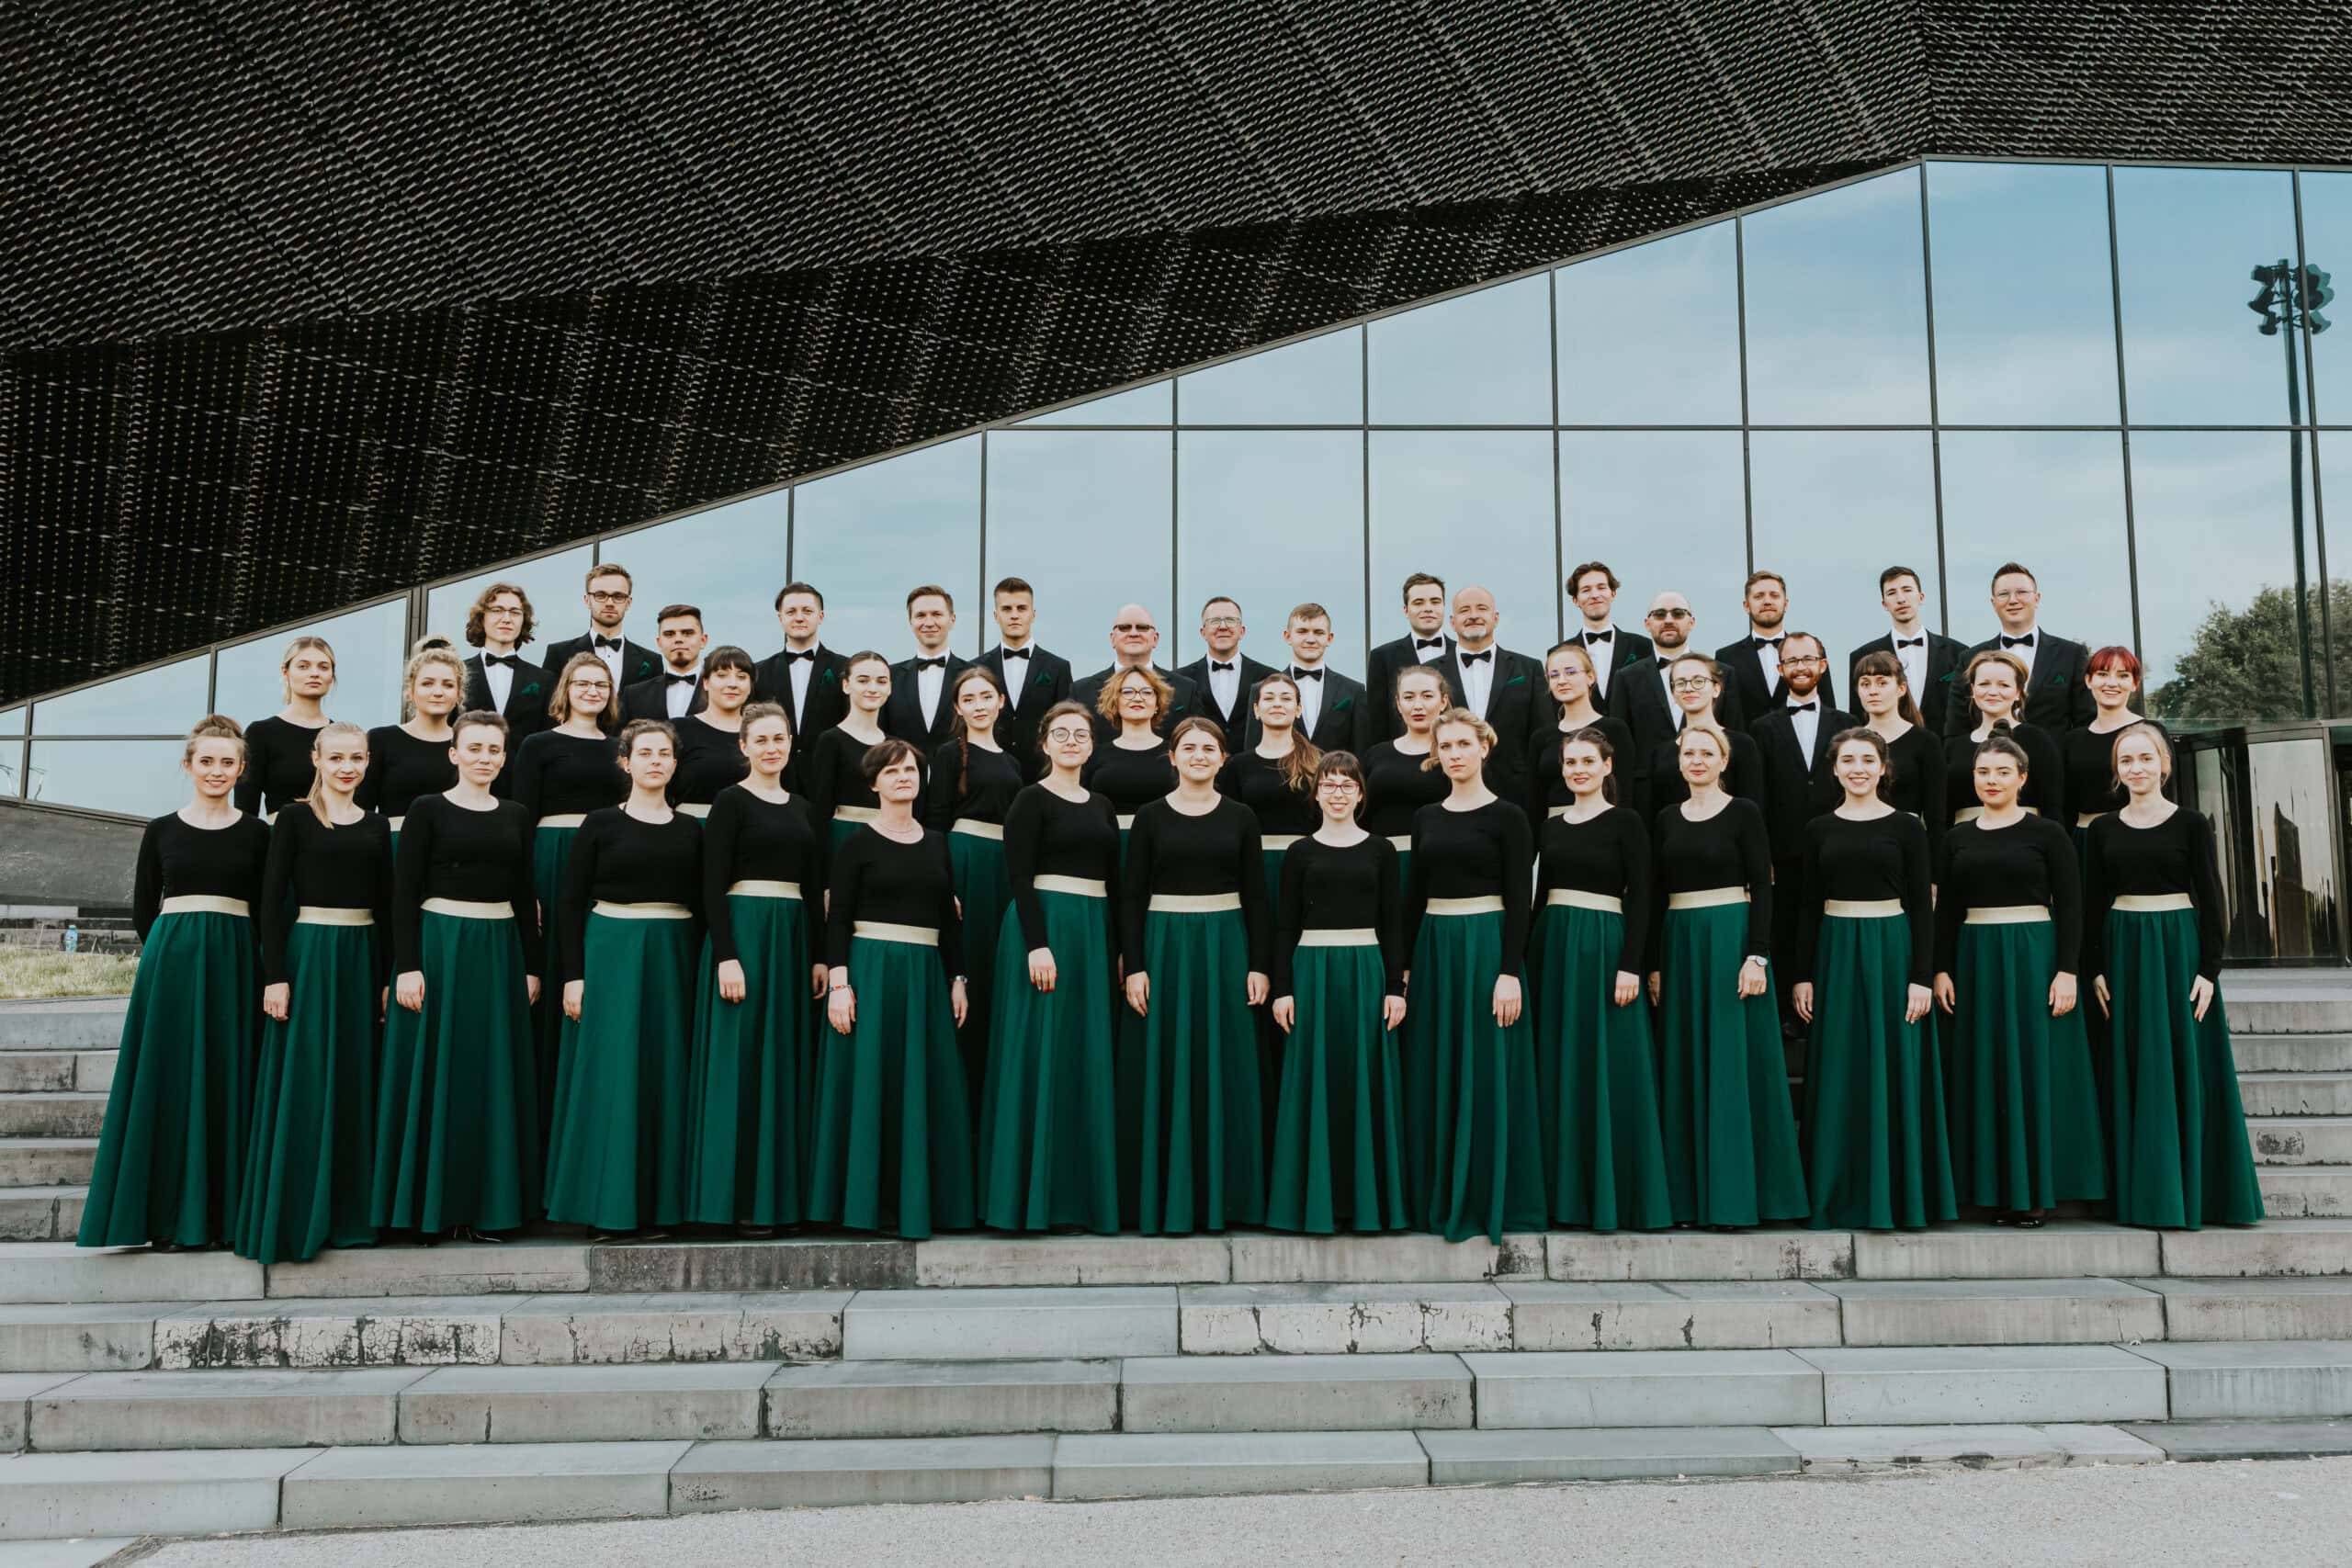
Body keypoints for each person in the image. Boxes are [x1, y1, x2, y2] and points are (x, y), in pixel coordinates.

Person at [79, 716, 272, 1250]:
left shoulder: (259, 833)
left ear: (241, 770)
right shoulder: (161, 828)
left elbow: (267, 907)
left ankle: (222, 1217)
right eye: (206, 761)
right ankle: (163, 1217)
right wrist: (171, 951)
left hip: (235, 960)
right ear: (188, 766)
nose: (216, 771)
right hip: (173, 961)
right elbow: (145, 907)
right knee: (169, 1077)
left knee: (227, 1076)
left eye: (227, 762)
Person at [2084, 724, 2263, 1229]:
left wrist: (2209, 969)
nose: (2136, 768)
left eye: (2145, 758)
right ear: (2116, 770)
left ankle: (2199, 1195)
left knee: (2187, 1065)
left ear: (2163, 763)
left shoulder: (2190, 823)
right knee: (2135, 1065)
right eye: (2126, 761)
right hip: (2124, 949)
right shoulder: (2102, 829)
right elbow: (2094, 901)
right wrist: (2094, 966)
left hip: (2179, 950)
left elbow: (2212, 897)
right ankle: (2141, 1196)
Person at [373, 711, 543, 1242]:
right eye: (474, 748)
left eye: (494, 749)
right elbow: (402, 892)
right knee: (432, 1075)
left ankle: (485, 1209)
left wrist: (533, 966)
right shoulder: (427, 810)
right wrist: (407, 966)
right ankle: (425, 1211)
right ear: (454, 754)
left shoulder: (516, 814)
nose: (485, 758)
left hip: (498, 954)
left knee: (486, 1077)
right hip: (439, 947)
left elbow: (523, 895)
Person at [1932, 734, 2107, 1224]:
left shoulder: (2049, 833)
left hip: (2035, 956)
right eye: (1984, 773)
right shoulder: (1956, 838)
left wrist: (2068, 970)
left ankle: (2035, 1192)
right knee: (1983, 1067)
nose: (1992, 781)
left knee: (2035, 1069)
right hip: (1975, 959)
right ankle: (1985, 1188)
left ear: (2022, 778)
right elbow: (1946, 910)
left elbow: (2073, 906)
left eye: (2002, 772)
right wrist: (1941, 967)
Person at [237, 721, 393, 1263]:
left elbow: (390, 909)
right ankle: (297, 1211)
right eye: (336, 758)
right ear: (317, 760)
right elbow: (271, 903)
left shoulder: (377, 827)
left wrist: (388, 976)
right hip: (308, 954)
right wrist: (274, 975)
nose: (346, 767)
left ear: (368, 761)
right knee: (305, 1080)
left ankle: (352, 1214)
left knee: (356, 1078)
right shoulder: (296, 819)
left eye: (356, 757)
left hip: (362, 955)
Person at [543, 719, 703, 1239]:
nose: (656, 761)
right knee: (611, 1075)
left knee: (664, 1073)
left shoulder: (690, 830)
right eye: (646, 753)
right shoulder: (600, 824)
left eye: (665, 753)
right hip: (610, 952)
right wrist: (574, 976)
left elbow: (703, 907)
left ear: (675, 765)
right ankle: (605, 1208)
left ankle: (661, 1207)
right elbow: (569, 901)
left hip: (672, 957)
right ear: (626, 762)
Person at [810, 738, 976, 1238]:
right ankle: (866, 1207)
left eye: (911, 770)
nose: (904, 777)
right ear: (874, 782)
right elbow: (837, 919)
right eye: (893, 771)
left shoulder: (936, 842)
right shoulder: (856, 843)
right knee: (872, 1087)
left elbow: (950, 922)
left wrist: (958, 979)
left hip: (924, 976)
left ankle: (921, 1204)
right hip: (871, 972)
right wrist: (840, 983)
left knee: (922, 1088)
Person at [1792, 729, 1954, 1232]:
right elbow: (1806, 909)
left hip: (1892, 948)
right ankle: (1838, 1195)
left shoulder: (1907, 828)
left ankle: (1898, 1197)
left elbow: (1925, 912)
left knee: (1894, 1071)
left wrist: (1921, 976)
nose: (1857, 768)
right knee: (1841, 1068)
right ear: (1834, 769)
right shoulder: (1818, 828)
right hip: (1836, 951)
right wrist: (1802, 976)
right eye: (1848, 760)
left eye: (1867, 759)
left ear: (1884, 768)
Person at [1647, 723, 1808, 1230]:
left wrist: (1757, 955)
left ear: (1723, 761)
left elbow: (1763, 884)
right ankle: (1690, 1200)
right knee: (1688, 1065)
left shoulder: (1744, 812)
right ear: (1679, 762)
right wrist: (1653, 961)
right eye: (1688, 753)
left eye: (1706, 753)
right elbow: (1654, 893)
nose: (1696, 760)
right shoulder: (1667, 818)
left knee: (1736, 1066)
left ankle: (1742, 1198)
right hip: (1681, 944)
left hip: (1732, 942)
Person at [1400, 708, 1546, 1242]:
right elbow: (1414, 896)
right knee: (1437, 1069)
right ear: (1436, 755)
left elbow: (1519, 897)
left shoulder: (1509, 816)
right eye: (1447, 746)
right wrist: (1405, 970)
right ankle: (1436, 1193)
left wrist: (1510, 971)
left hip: (1488, 948)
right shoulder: (1426, 817)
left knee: (1487, 1070)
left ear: (1485, 747)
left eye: (1465, 743)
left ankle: (1489, 1195)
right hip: (1437, 951)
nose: (1456, 754)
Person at [1121, 716, 1271, 1235]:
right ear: (1173, 757)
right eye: (1190, 747)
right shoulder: (1149, 817)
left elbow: (1256, 895)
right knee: (1165, 1065)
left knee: (1222, 1064)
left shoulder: (1242, 817)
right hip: (1165, 946)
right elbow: (1133, 896)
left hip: (1226, 945)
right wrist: (1135, 965)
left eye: (1210, 748)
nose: (1200, 755)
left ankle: (1227, 1199)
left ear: (1223, 759)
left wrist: (1259, 963)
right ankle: (1166, 1197)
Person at [978, 701, 1123, 1234]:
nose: (1070, 741)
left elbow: (1113, 879)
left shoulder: (1104, 805)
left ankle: (1081, 1198)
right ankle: (1027, 1199)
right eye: (1059, 733)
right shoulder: (1029, 800)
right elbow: (1018, 877)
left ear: (1091, 744)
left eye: (1080, 734)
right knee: (1039, 1054)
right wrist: (1037, 945)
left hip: (1092, 931)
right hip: (1042, 931)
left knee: (1084, 1056)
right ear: (1044, 743)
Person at [686, 702, 827, 1235]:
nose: (773, 748)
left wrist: (817, 955)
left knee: (783, 1067)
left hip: (790, 938)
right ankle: (727, 1202)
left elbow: (814, 889)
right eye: (762, 739)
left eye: (781, 739)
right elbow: (711, 884)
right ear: (743, 747)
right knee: (737, 1066)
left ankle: (776, 1202)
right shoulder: (730, 802)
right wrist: (725, 954)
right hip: (744, 933)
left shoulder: (805, 807)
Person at [1530, 728, 1673, 1233]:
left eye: (1588, 761)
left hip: (1606, 945)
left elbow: (1642, 897)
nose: (1578, 770)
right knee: (1560, 1063)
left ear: (1607, 766)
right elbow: (1538, 896)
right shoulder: (1549, 828)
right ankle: (1559, 1193)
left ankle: (1618, 1193)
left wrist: (1632, 964)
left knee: (1610, 1065)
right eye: (1570, 763)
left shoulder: (1628, 822)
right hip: (1555, 947)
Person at [1266, 751, 1409, 1235]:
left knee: (1363, 1081)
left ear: (1361, 795)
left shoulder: (1381, 850)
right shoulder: (1300, 853)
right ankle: (1312, 1205)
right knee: (1315, 1080)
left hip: (1366, 970)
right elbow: (1284, 925)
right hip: (1312, 971)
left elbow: (1393, 923)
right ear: (1317, 794)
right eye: (1329, 785)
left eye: (1347, 785)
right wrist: (1282, 989)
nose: (1338, 793)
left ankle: (1367, 1206)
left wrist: (1395, 987)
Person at [513, 653, 626, 1139]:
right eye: (583, 682)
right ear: (565, 689)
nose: (592, 690)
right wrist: (526, 888)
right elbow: (519, 821)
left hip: (608, 860)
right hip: (551, 857)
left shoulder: (624, 746)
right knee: (550, 971)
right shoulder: (538, 745)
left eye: (601, 683)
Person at [1748, 632, 1855, 1043]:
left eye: (1808, 659)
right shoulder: (1762, 728)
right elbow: (1757, 796)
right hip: (1784, 849)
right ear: (1780, 670)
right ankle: (1789, 1017)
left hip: (1838, 847)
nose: (1800, 667)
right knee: (1787, 928)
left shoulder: (1848, 724)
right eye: (1791, 661)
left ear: (1823, 666)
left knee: (1833, 928)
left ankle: (1832, 1008)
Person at [926, 665, 1022, 1084]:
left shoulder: (1017, 761)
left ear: (1001, 702)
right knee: (968, 960)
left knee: (999, 965)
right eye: (969, 699)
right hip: (965, 862)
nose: (979, 705)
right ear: (958, 708)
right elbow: (936, 821)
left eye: (986, 697)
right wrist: (944, 883)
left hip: (1005, 867)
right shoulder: (949, 754)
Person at [1610, 591, 1746, 792]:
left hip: (1714, 789)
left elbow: (1734, 735)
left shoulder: (1723, 673)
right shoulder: (1626, 677)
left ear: (1692, 621)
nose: (1669, 620)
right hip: (1649, 793)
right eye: (1660, 614)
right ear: (1647, 623)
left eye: (1678, 613)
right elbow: (1620, 747)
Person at [1940, 562, 2096, 737]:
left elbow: (2086, 721)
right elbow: (1956, 727)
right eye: (2004, 594)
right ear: (1993, 603)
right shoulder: (1969, 659)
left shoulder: (2072, 655)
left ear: (2037, 598)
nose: (2013, 600)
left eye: (2021, 592)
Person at [1221, 671, 1321, 906]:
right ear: (1256, 710)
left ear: (1298, 709)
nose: (1277, 703)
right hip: (1254, 864)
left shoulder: (1319, 762)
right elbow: (1229, 824)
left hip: (1307, 862)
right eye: (1269, 698)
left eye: (1286, 698)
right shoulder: (1237, 766)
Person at [1445, 584, 1544, 807]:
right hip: (1448, 790)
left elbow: (1542, 733)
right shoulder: (1431, 673)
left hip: (1517, 791)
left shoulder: (1529, 669)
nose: (1473, 616)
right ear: (1452, 622)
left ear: (1496, 617)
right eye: (1464, 610)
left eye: (1481, 608)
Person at [1942, 649, 2064, 824]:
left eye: (2003, 685)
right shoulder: (1954, 747)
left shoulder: (2038, 740)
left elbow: (2053, 808)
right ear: (1973, 690)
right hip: (1966, 845)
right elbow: (1945, 812)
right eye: (1984, 684)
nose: (1992, 692)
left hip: (2025, 840)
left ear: (2018, 692)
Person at [358, 639, 464, 841]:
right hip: (394, 846)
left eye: (448, 685)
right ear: (410, 691)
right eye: (427, 683)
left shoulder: (468, 744)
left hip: (453, 850)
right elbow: (362, 809)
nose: (438, 692)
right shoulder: (381, 740)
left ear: (459, 693)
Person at [2063, 647, 2174, 836]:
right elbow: (2066, 803)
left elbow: (2166, 791)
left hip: (2139, 834)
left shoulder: (2152, 732)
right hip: (2085, 838)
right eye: (2103, 674)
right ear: (2089, 681)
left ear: (2134, 683)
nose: (2112, 683)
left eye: (2123, 676)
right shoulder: (2072, 740)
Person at [1362, 664, 1452, 888]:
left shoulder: (1454, 756)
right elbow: (1361, 816)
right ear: (1398, 703)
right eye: (1409, 697)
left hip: (1440, 863)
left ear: (1443, 702)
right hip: (1382, 865)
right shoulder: (1375, 755)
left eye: (1427, 696)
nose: (1418, 705)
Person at [1848, 566, 1966, 734]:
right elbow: (1859, 717)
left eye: (1907, 590)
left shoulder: (1958, 653)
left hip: (1944, 751)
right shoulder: (1862, 656)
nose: (1901, 599)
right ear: (1884, 604)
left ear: (1921, 597)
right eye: (1891, 593)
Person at [752, 581, 852, 776]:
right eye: (791, 612)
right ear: (780, 618)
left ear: (820, 616)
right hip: (775, 778)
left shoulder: (845, 668)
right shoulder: (759, 672)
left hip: (829, 775)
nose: (799, 618)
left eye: (807, 611)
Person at [1529, 640, 1635, 823]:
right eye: (1554, 675)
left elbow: (1625, 791)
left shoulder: (1615, 730)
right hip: (1555, 833)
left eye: (1570, 672)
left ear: (1590, 676)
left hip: (1605, 826)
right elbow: (1535, 800)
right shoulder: (1541, 737)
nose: (1562, 680)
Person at [458, 581, 549, 794]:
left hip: (523, 791)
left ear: (523, 621)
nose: (506, 618)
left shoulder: (545, 680)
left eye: (515, 612)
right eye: (497, 610)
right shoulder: (457, 674)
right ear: (482, 617)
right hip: (464, 789)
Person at [977, 576, 1073, 775]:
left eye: (1021, 608)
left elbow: (1065, 723)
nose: (1014, 615)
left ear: (1033, 614)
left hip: (1042, 775)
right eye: (1006, 609)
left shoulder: (1058, 668)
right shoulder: (976, 668)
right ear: (996, 615)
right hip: (988, 774)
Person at [1850, 649, 1946, 851]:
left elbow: (1936, 816)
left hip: (1908, 847)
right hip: (1857, 845)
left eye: (1882, 682)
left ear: (1901, 688)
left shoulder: (1925, 742)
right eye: (1865, 684)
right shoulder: (1849, 743)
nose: (1873, 691)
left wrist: (1936, 876)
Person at [1644, 654, 1762, 815]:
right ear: (1673, 694)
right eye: (1680, 683)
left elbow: (1754, 811)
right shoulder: (1661, 754)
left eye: (1698, 681)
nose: (1688, 688)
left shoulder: (1742, 745)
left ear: (1716, 689)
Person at [1714, 570, 1837, 723]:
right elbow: (1722, 716)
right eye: (1759, 596)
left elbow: (1829, 708)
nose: (1767, 601)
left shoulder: (1812, 649)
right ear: (1746, 606)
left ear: (1785, 604)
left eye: (1774, 595)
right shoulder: (1726, 657)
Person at [234, 635, 336, 818]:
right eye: (303, 666)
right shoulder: (261, 733)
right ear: (285, 672)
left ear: (332, 676)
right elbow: (245, 810)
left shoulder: (340, 735)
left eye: (323, 667)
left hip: (336, 840)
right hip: (280, 840)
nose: (314, 673)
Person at [803, 651, 895, 848]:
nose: (872, 688)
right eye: (863, 681)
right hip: (843, 841)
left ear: (889, 688)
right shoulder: (830, 741)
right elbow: (820, 810)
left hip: (888, 841)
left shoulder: (894, 746)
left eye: (881, 681)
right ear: (846, 685)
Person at [1070, 603, 1203, 738]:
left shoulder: (1186, 690)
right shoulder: (1081, 692)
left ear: (1155, 639)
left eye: (1142, 628)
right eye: (1124, 628)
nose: (1134, 633)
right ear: (1112, 639)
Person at [1081, 664, 1177, 844]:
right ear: (1115, 702)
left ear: (1157, 703)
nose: (1137, 698)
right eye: (1127, 692)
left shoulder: (1177, 755)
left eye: (1147, 692)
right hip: (1106, 846)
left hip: (1167, 846)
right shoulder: (1094, 755)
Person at [1365, 571, 1456, 743]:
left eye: (1435, 602)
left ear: (1444, 606)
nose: (1427, 608)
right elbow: (1377, 721)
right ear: (1406, 610)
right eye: (1418, 603)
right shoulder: (1382, 657)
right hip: (1400, 759)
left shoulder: (1462, 653)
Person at [541, 561, 662, 691]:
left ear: (628, 603)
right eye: (600, 595)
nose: (610, 602)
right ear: (587, 600)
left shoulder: (652, 661)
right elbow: (550, 705)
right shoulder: (559, 654)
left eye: (618, 596)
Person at [884, 584, 971, 749]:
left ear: (952, 619)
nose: (929, 622)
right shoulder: (889, 677)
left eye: (937, 614)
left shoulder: (973, 675)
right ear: (910, 622)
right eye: (920, 615)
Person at [671, 645, 755, 814]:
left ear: (750, 685)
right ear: (706, 682)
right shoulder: (678, 730)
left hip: (751, 829)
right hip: (690, 829)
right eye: (722, 675)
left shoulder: (760, 734)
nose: (732, 684)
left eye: (741, 677)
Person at [1178, 594, 1276, 738]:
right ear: (1203, 632)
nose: (1223, 627)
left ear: (1242, 631)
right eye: (1214, 621)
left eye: (1230, 620)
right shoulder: (1181, 679)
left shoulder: (1268, 678)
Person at [1280, 602, 1371, 755]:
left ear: (1329, 638)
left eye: (1318, 632)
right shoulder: (1264, 690)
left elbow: (1360, 752)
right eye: (1302, 631)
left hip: (1334, 778)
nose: (1310, 639)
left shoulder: (1354, 691)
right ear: (1288, 637)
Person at [1565, 560, 1654, 707]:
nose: (1595, 595)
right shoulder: (1561, 653)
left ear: (1613, 593)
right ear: (1575, 600)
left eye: (1601, 588)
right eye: (1586, 590)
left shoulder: (1642, 647)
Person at [619, 604, 710, 723]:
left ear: (703, 641)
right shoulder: (633, 695)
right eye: (669, 634)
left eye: (687, 633)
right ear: (659, 643)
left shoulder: (724, 691)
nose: (678, 639)